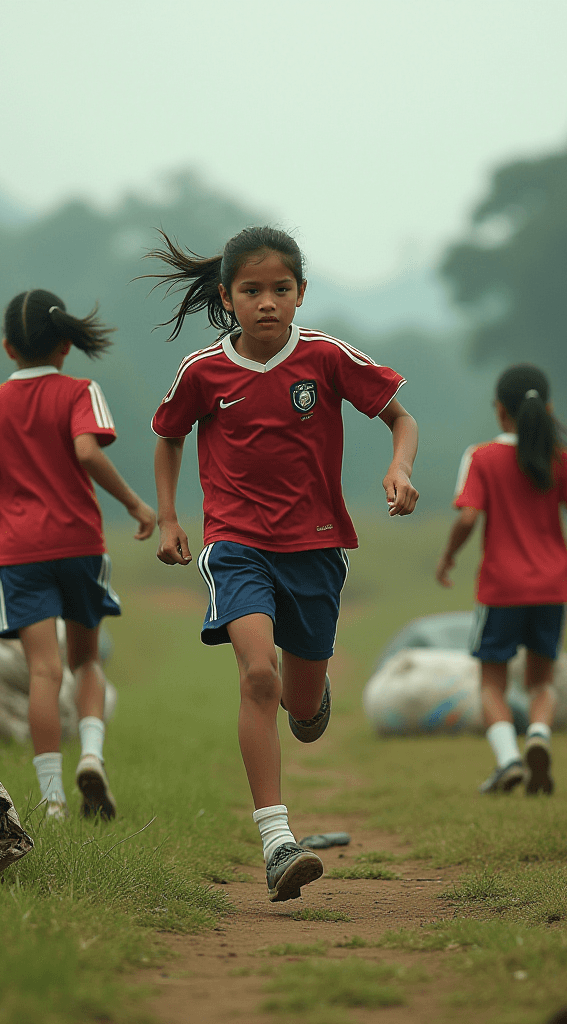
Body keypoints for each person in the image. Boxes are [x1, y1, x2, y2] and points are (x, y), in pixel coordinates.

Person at [147, 227, 419, 901]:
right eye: (251, 290)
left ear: (300, 294)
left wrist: (399, 468)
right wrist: (170, 516)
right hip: (237, 545)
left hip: (318, 548)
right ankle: (276, 842)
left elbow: (400, 418)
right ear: (226, 297)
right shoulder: (203, 371)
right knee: (258, 676)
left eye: (280, 289)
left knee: (300, 704)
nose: (267, 302)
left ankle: (312, 693)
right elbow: (169, 436)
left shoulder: (325, 358)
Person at [0, 289, 155, 821]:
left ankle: (53, 800)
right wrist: (134, 504)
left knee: (43, 671)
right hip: (80, 545)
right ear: (66, 345)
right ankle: (90, 755)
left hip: (19, 556)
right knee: (85, 661)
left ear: (8, 348)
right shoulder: (82, 391)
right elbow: (87, 451)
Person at [435, 364, 567, 796]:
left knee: (491, 681)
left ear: (499, 411)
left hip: (501, 590)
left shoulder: (482, 457)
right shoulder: (563, 459)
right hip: (552, 589)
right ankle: (540, 738)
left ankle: (509, 760)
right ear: (546, 408)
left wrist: (449, 557)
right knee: (541, 681)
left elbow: (468, 517)